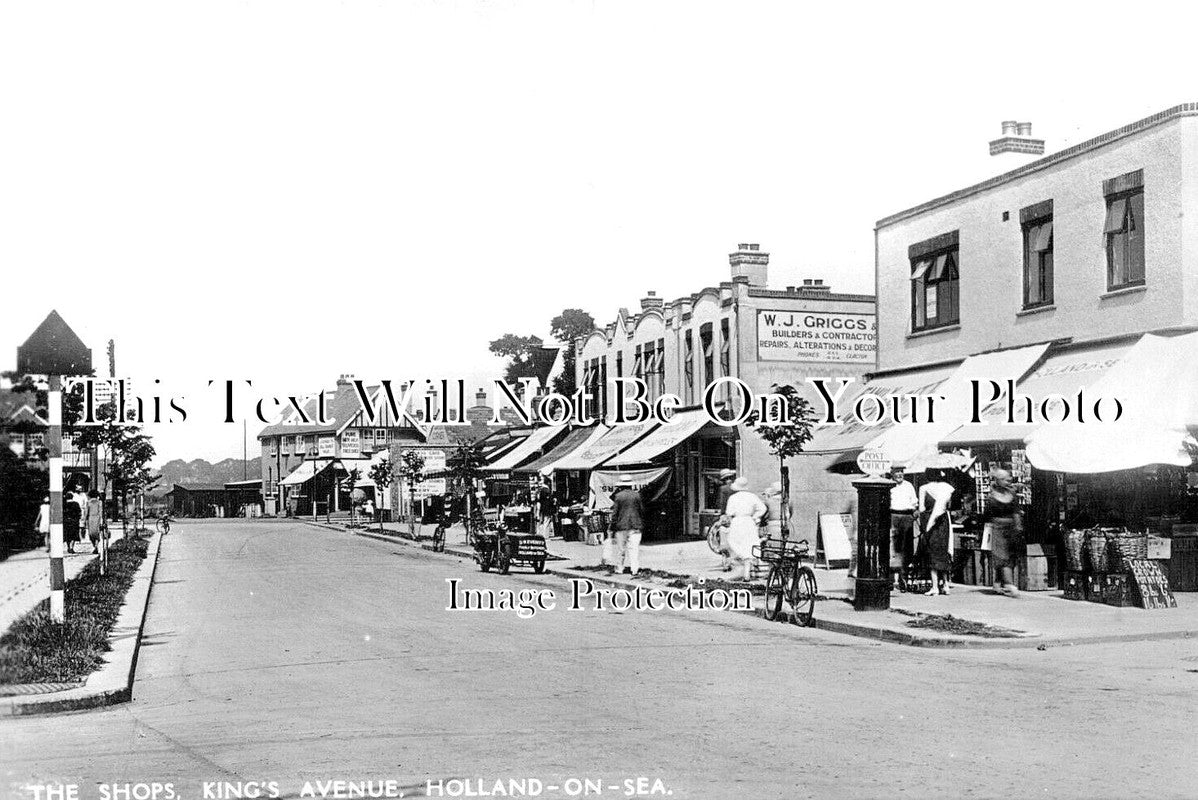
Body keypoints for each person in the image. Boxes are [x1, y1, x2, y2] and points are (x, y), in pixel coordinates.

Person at [918, 468, 955, 596]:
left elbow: (922, 508)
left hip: (929, 520)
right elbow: (948, 505)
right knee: (943, 551)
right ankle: (945, 584)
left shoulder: (923, 488)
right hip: (943, 521)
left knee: (931, 551)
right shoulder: (946, 487)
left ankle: (935, 587)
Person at [986, 469, 1021, 597]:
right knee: (1002, 557)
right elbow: (988, 514)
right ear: (999, 480)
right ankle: (1010, 585)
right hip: (998, 528)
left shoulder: (1012, 494)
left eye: (1009, 479)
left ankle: (997, 583)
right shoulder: (991, 497)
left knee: (1009, 556)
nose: (1009, 481)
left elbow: (1016, 511)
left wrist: (1018, 526)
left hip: (1011, 528)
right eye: (1005, 479)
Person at [725, 478, 767, 580]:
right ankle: (748, 570)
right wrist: (755, 516)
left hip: (737, 521)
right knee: (749, 545)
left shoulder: (733, 498)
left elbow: (729, 512)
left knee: (735, 543)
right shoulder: (752, 497)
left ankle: (744, 570)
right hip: (749, 522)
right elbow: (763, 508)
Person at [608, 474, 645, 576]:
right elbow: (641, 510)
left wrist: (612, 526)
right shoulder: (637, 495)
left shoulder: (618, 496)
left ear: (621, 486)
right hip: (636, 525)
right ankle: (635, 569)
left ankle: (620, 568)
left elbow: (615, 513)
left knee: (621, 549)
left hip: (621, 526)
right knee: (634, 549)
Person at [889, 465, 918, 590]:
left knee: (906, 548)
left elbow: (914, 503)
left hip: (906, 516)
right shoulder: (889, 485)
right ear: (892, 473)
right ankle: (889, 579)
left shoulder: (908, 486)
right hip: (893, 515)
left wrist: (914, 514)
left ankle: (903, 577)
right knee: (892, 547)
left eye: (901, 471)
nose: (899, 474)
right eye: (897, 472)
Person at [715, 468, 737, 570]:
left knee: (724, 540)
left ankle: (726, 563)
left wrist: (721, 515)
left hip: (726, 516)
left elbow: (722, 503)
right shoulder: (736, 488)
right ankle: (734, 561)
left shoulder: (723, 489)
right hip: (736, 516)